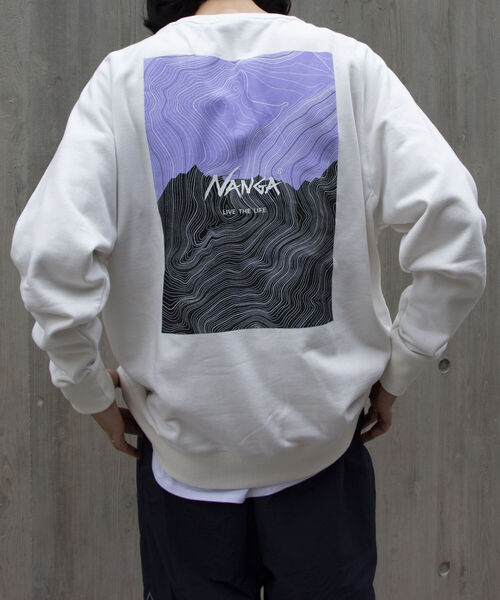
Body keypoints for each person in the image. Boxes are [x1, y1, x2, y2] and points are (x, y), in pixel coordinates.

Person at [10, 0, 487, 598]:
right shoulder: (350, 67)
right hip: (323, 464)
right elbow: (454, 226)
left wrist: (89, 391)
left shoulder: (122, 79)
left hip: (183, 468)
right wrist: (401, 367)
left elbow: (52, 253)